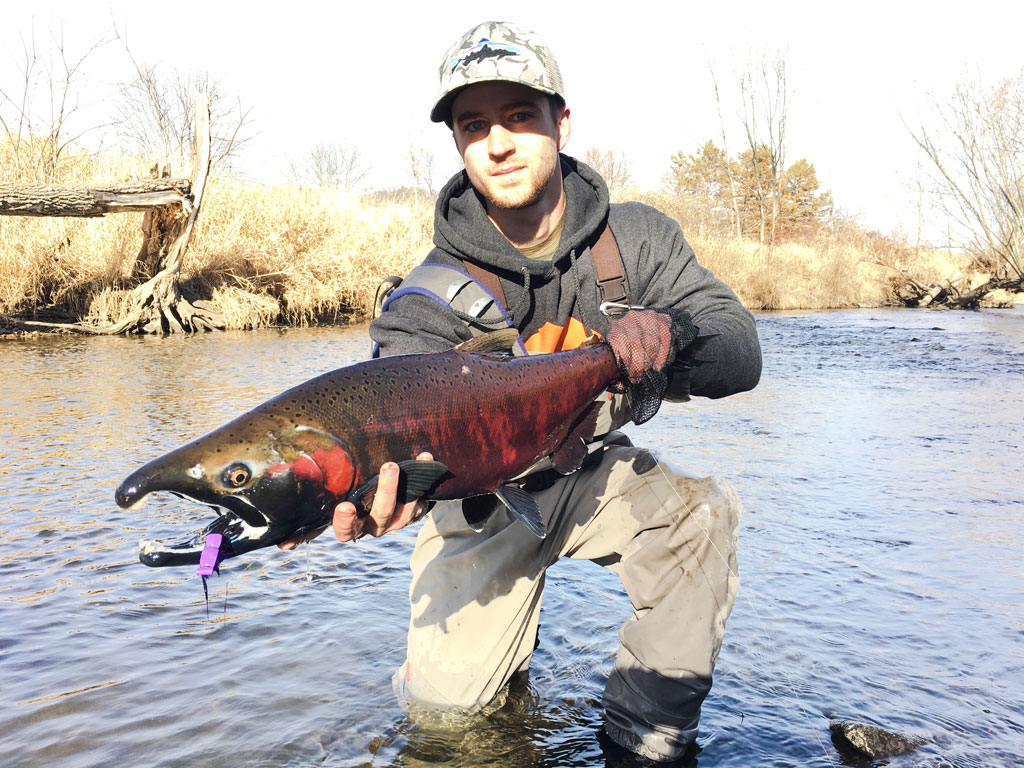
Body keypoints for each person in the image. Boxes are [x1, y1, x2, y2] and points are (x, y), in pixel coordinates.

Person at [284, 21, 761, 763]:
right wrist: (381, 494)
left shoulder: (636, 240)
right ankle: (459, 681)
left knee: (700, 513)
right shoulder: (424, 301)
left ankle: (647, 741)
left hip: (586, 474)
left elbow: (741, 352)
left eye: (518, 116)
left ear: (559, 122)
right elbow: (387, 439)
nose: (499, 142)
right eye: (475, 125)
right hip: (475, 505)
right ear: (457, 143)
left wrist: (672, 335)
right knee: (452, 733)